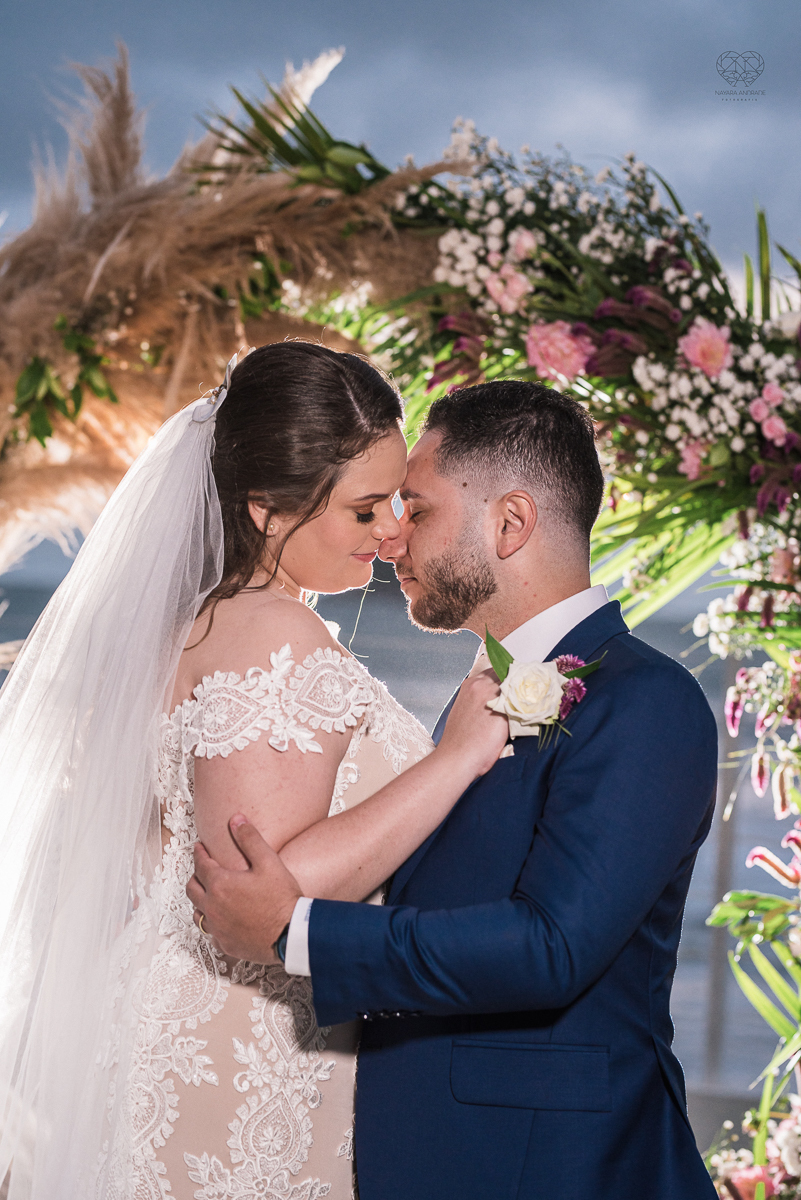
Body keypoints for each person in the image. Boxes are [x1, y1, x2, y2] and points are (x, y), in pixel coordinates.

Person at [189, 380, 720, 1200]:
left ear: (509, 524)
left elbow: (552, 949)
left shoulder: (645, 699)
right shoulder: (478, 697)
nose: (393, 538)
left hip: (554, 1169)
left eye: (419, 510)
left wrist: (297, 933)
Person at [0, 342, 507, 1200]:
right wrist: (458, 756)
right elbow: (262, 891)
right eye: (363, 511)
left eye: (394, 501)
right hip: (243, 1045)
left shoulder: (200, 623)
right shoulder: (271, 636)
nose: (392, 532)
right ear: (268, 510)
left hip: (195, 1014)